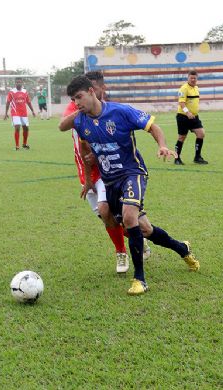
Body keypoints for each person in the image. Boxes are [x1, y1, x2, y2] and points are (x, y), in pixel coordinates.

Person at [66, 75, 200, 296]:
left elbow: (153, 127)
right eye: (73, 99)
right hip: (110, 181)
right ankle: (182, 248)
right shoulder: (81, 121)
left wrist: (163, 145)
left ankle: (140, 279)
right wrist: (90, 176)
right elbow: (79, 143)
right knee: (144, 229)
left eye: (79, 97)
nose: (77, 103)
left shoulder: (120, 111)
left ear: (92, 91)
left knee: (129, 217)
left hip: (132, 173)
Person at [59, 71, 150, 274]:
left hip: (108, 172)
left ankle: (122, 252)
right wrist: (80, 109)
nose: (78, 100)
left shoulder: (110, 111)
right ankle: (140, 238)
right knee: (113, 219)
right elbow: (64, 127)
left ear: (100, 89)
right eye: (76, 98)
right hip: (86, 173)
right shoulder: (79, 108)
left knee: (106, 209)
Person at [175, 70, 208, 165]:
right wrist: (187, 112)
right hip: (183, 117)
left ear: (197, 79)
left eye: (195, 78)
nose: (193, 80)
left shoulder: (196, 88)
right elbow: (181, 103)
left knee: (201, 133)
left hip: (194, 117)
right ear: (188, 78)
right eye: (191, 78)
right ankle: (177, 158)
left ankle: (197, 157)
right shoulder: (184, 88)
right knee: (181, 137)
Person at [4, 78, 36, 150]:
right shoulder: (11, 92)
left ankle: (24, 144)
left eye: (20, 82)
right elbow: (8, 102)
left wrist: (33, 111)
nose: (18, 83)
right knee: (17, 127)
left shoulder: (25, 91)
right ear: (15, 83)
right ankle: (17, 146)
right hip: (15, 112)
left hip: (24, 113)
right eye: (17, 82)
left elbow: (28, 102)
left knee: (26, 128)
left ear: (22, 83)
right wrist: (6, 113)